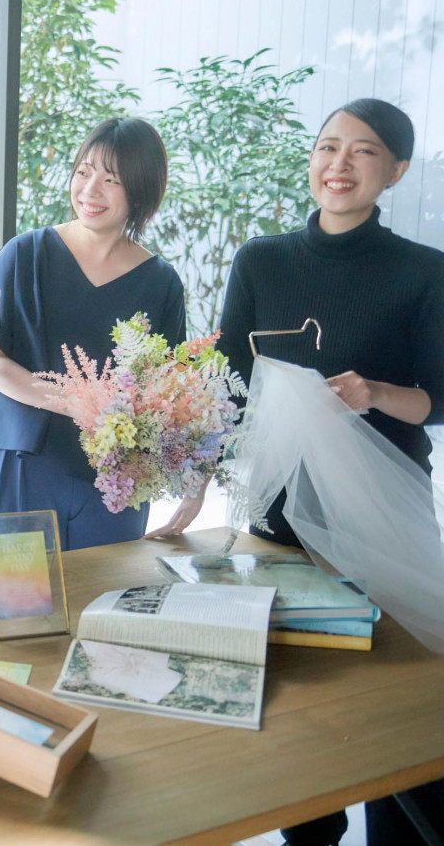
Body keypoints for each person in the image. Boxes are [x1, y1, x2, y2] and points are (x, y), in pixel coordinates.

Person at [217, 98, 444, 846]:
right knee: (299, 724)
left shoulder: (424, 272)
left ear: (397, 170)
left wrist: (374, 394)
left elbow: (437, 401)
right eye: (327, 147)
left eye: (364, 152)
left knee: (394, 722)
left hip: (383, 523)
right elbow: (225, 386)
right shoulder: (261, 260)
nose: (338, 165)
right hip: (279, 524)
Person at [0, 118, 195, 551]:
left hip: (114, 479)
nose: (90, 191)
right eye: (84, 172)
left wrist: (192, 474)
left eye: (111, 179)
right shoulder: (25, 254)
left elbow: (171, 391)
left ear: (141, 190)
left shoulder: (161, 282)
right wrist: (76, 401)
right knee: (20, 608)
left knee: (104, 608)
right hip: (21, 466)